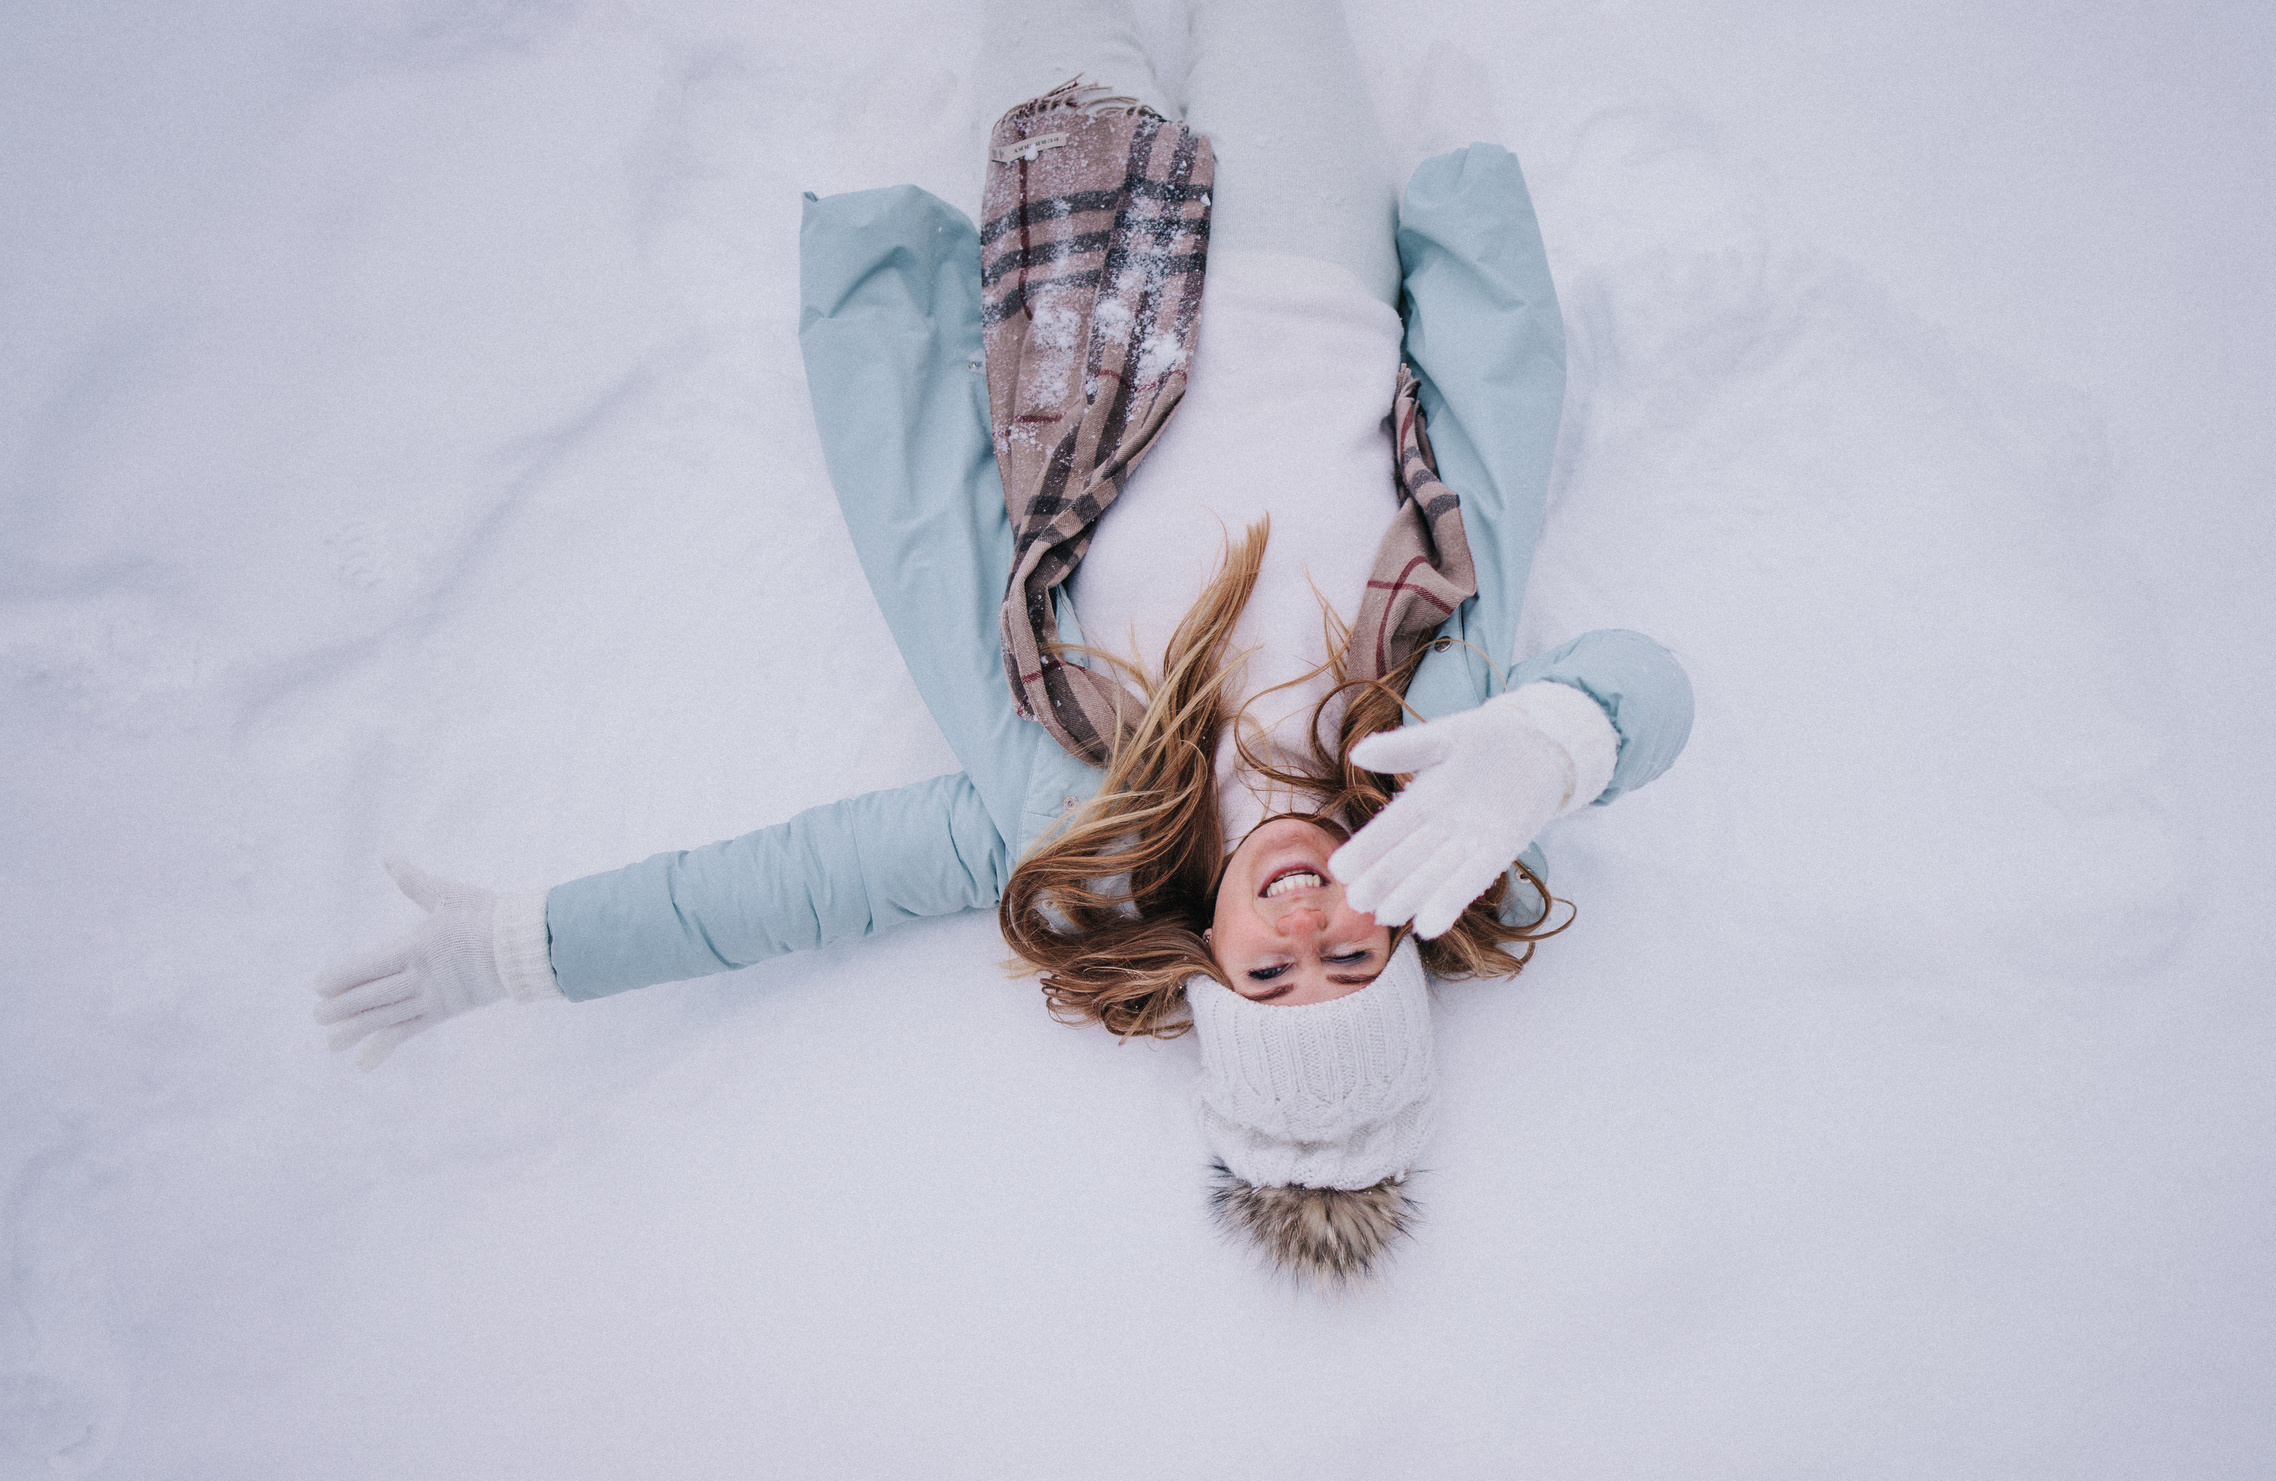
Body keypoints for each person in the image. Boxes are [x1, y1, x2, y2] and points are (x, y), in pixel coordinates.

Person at [313, 0, 1694, 1283]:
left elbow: (796, 883)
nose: (1307, 924)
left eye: (1268, 975)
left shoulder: (1073, 823)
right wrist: (1556, 745)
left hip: (1078, 293)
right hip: (1312, 256)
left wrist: (517, 950)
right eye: (1353, 962)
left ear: (1202, 957)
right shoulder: (1448, 774)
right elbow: (1645, 680)